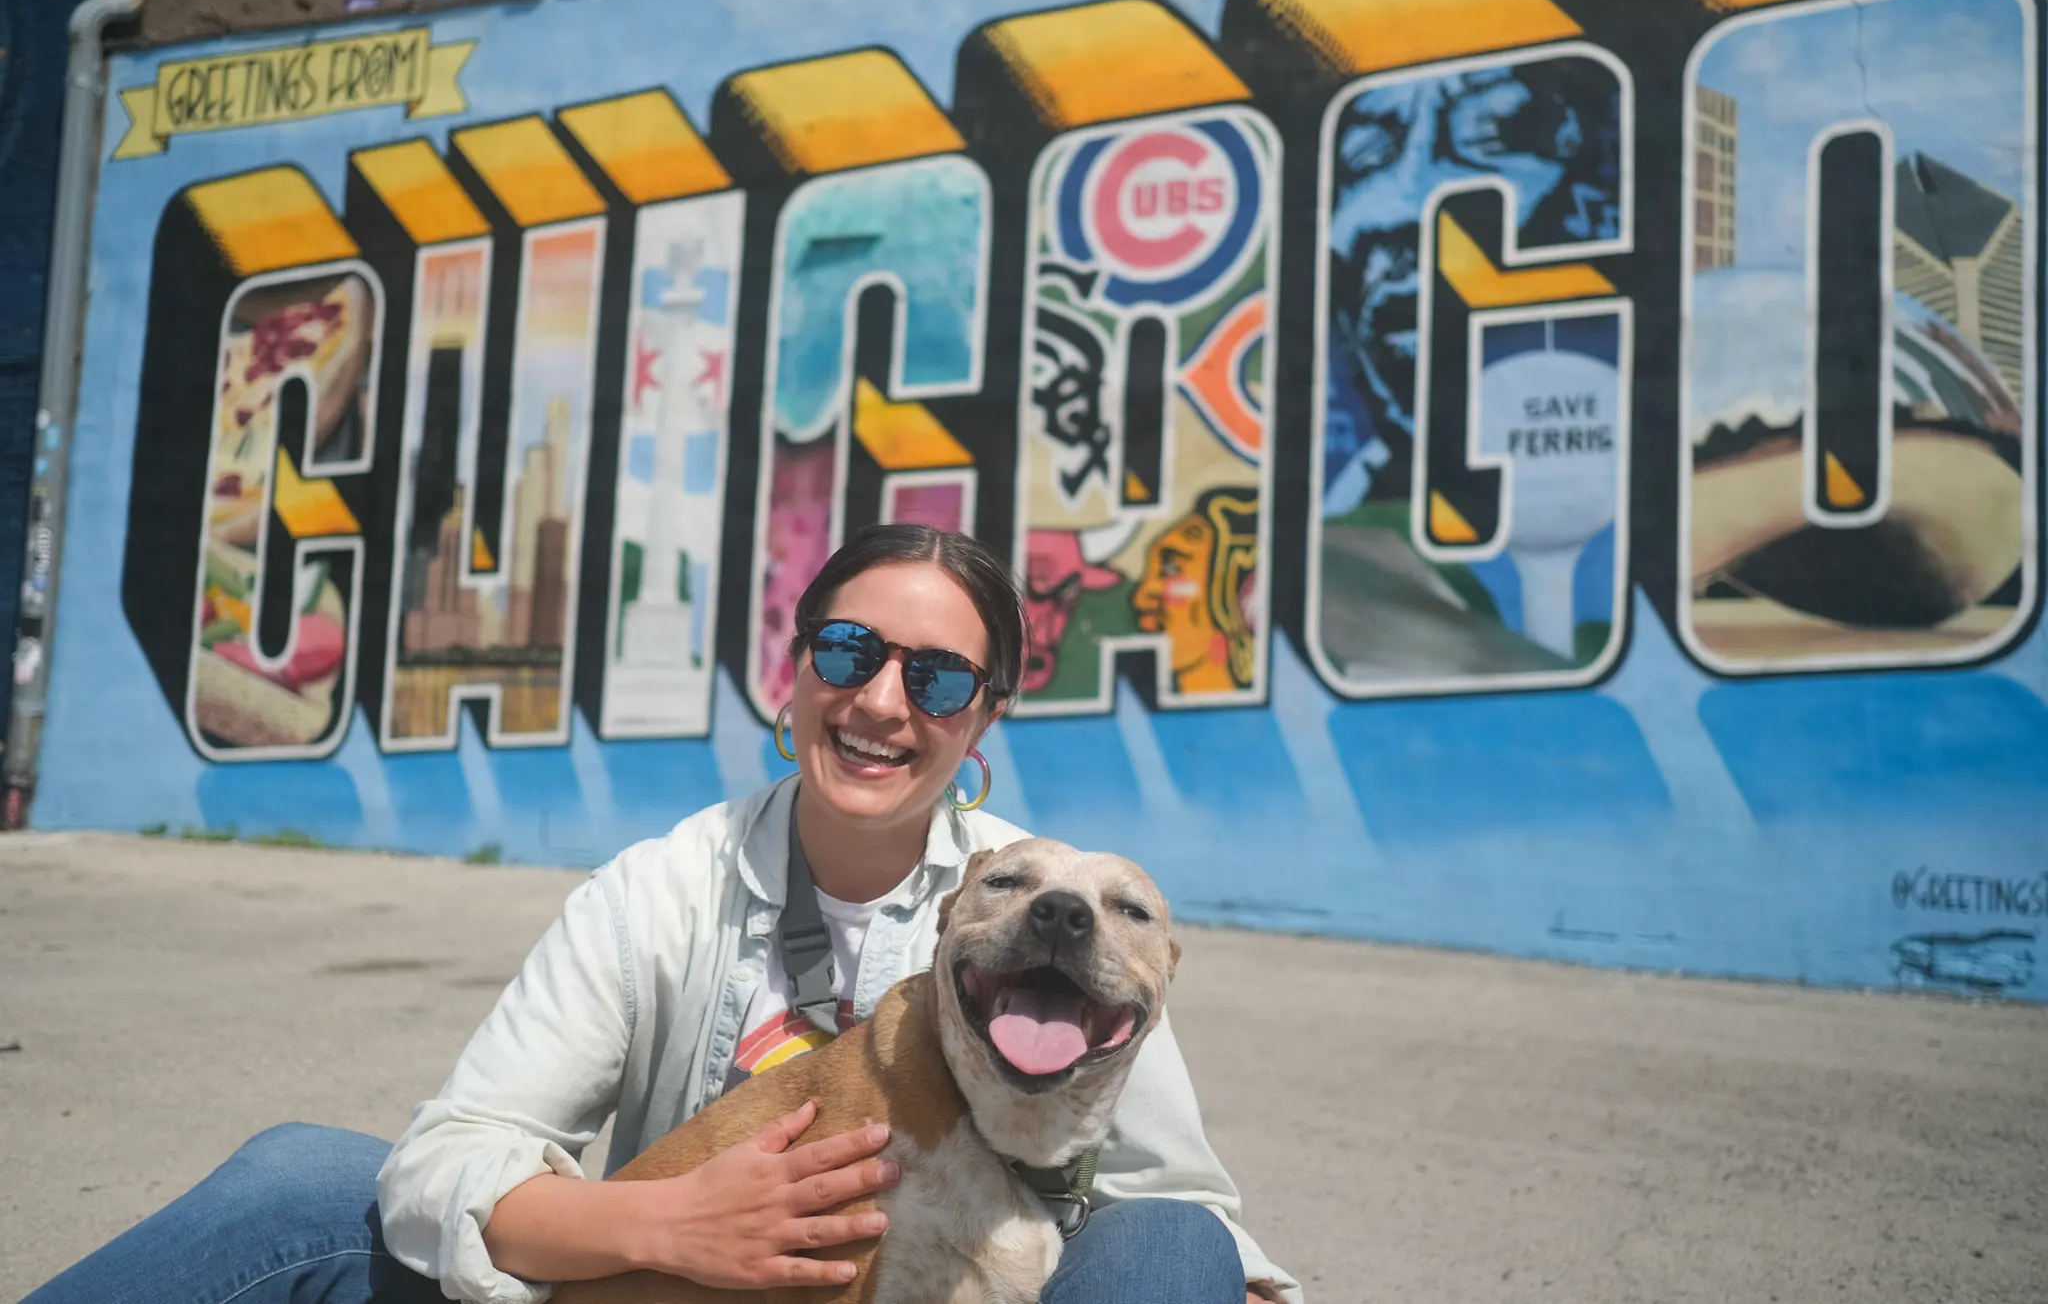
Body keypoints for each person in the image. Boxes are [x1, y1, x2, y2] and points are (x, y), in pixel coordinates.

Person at [25, 524, 1301, 1304]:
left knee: (1174, 1249)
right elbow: (452, 1152)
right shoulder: (662, 888)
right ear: (795, 671)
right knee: (300, 1180)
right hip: (664, 1293)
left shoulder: (1048, 912)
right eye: (848, 653)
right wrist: (662, 1223)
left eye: (940, 677)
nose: (881, 703)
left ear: (979, 722)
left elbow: (1182, 1202)